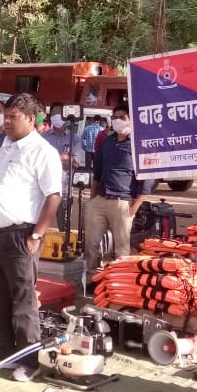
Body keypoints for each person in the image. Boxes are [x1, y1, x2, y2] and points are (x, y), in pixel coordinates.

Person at [0, 93, 62, 382]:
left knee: (22, 300)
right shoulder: (5, 146)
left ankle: (29, 359)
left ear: (31, 118)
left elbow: (53, 196)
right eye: (5, 116)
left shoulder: (42, 151)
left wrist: (37, 234)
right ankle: (4, 351)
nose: (6, 121)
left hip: (21, 236)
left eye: (13, 117)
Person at [85, 103, 156, 283]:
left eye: (122, 117)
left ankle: (119, 283)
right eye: (114, 117)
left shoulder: (140, 144)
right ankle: (93, 278)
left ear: (132, 120)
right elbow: (97, 173)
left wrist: (134, 208)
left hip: (123, 202)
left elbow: (146, 180)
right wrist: (92, 200)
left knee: (121, 248)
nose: (117, 120)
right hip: (100, 200)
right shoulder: (107, 141)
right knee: (91, 243)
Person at [42, 105, 82, 232]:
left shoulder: (74, 139)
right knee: (40, 222)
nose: (57, 117)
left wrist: (55, 158)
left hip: (64, 187)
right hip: (44, 187)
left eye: (60, 114)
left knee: (64, 226)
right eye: (54, 114)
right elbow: (39, 161)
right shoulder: (43, 137)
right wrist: (64, 157)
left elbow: (77, 162)